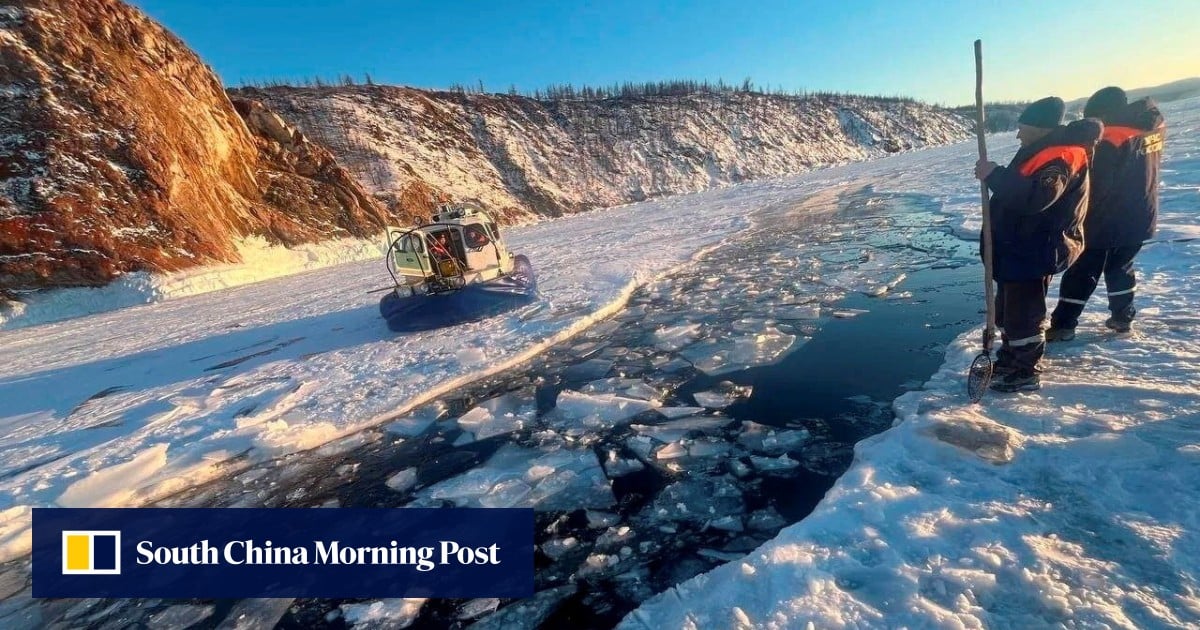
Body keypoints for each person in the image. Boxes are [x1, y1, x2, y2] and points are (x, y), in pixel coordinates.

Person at [974, 97, 1102, 392]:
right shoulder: (1041, 150)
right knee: (1008, 312)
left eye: (1022, 128)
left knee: (1024, 316)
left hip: (1033, 249)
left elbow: (1036, 198)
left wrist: (994, 175)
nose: (1018, 134)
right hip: (1018, 247)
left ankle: (1025, 372)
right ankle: (1010, 358)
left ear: (1039, 128)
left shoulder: (1061, 157)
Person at [1046, 87, 1165, 339]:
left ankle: (1063, 325)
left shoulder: (1110, 137)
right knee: (1121, 266)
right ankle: (1123, 317)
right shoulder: (1150, 126)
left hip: (1106, 217)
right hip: (1141, 213)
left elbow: (1098, 183)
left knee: (1082, 268)